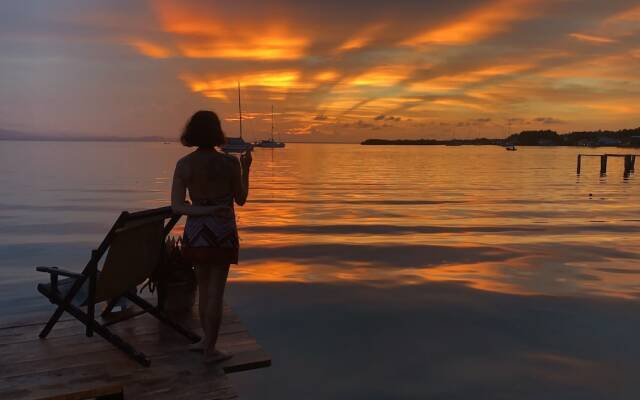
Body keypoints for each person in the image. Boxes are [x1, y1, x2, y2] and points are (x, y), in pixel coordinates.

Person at [171, 110, 252, 363]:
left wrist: (202, 209)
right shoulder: (230, 163)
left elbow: (178, 207)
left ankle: (206, 341)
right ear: (217, 132)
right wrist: (247, 169)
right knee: (215, 292)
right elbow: (241, 200)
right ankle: (210, 350)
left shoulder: (184, 164)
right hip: (222, 232)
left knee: (204, 289)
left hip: (196, 233)